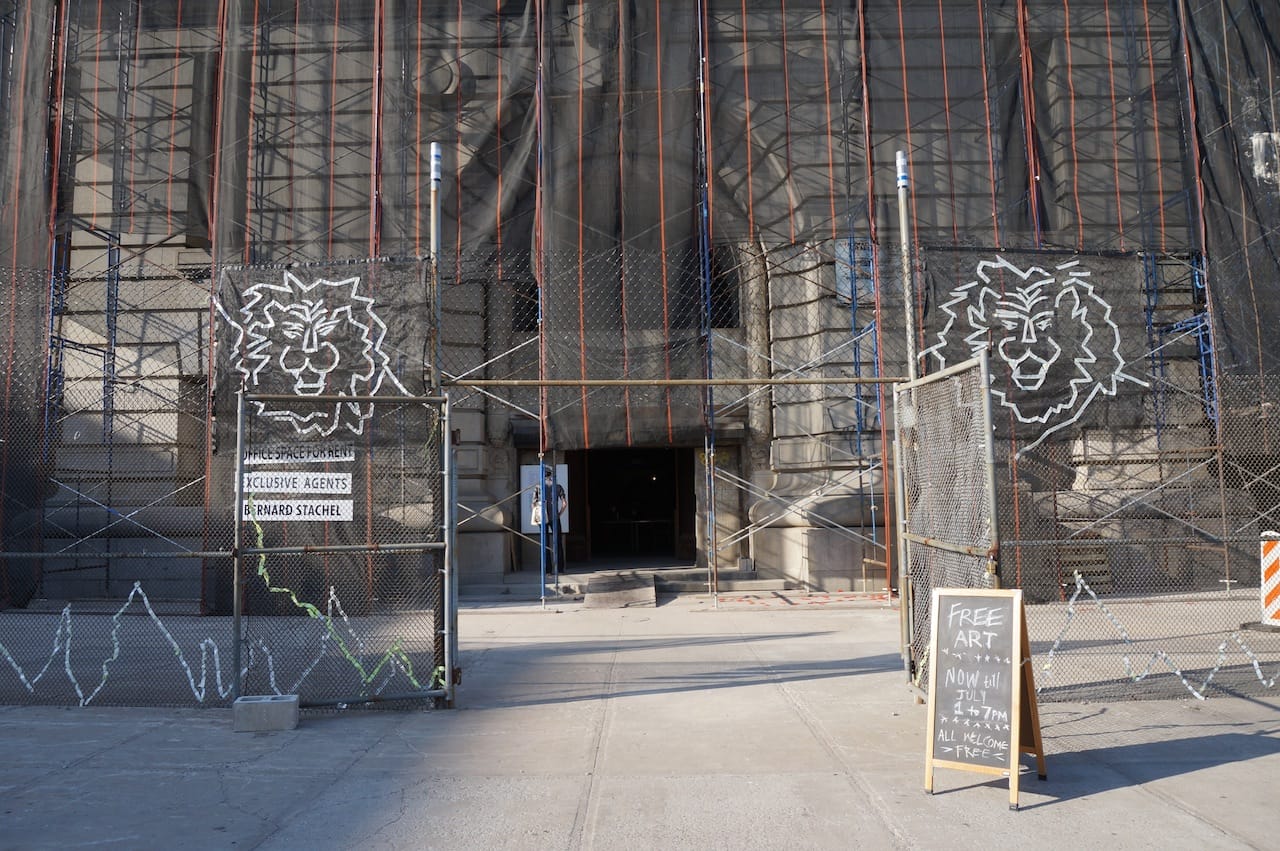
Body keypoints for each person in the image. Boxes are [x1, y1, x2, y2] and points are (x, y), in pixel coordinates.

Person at [531, 469, 567, 572]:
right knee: (558, 542)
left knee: (545, 543)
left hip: (543, 517)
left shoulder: (538, 487)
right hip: (554, 517)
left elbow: (533, 504)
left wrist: (536, 515)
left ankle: (547, 570)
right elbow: (564, 503)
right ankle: (560, 569)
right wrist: (559, 514)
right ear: (551, 476)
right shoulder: (558, 486)